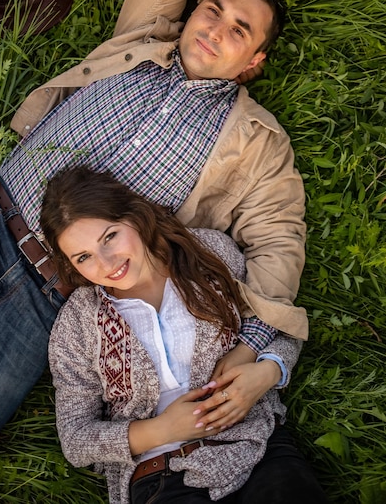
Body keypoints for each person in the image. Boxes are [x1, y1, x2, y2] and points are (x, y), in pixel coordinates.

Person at [0, 0, 307, 459]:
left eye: (240, 32)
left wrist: (250, 351)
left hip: (52, 301)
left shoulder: (257, 143)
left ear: (254, 65)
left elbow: (279, 243)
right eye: (213, 9)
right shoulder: (143, 38)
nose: (215, 29)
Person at [43, 166, 327, 504]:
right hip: (160, 476)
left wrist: (267, 371)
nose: (106, 263)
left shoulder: (207, 254)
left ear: (133, 216)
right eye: (84, 257)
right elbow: (76, 439)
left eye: (110, 237)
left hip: (256, 446)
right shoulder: (77, 322)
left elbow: (278, 323)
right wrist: (163, 430)